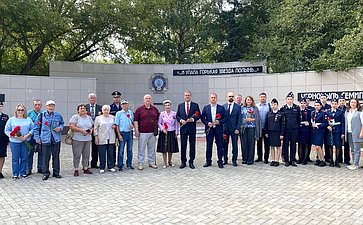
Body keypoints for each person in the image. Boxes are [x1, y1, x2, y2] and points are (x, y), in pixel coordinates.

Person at [33, 100, 64, 180]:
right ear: (46, 107)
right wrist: (37, 138)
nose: (51, 107)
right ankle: (45, 173)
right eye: (49, 106)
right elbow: (36, 128)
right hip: (45, 139)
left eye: (52, 106)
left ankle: (56, 172)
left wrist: (60, 128)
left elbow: (62, 123)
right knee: (45, 157)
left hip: (55, 139)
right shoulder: (41, 116)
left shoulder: (58, 115)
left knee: (56, 156)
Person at [4, 104, 33, 179]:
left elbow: (33, 129)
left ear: (24, 111)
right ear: (16, 111)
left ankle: (23, 172)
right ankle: (15, 173)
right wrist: (15, 137)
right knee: (15, 158)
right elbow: (6, 130)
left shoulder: (28, 119)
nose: (20, 111)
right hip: (14, 142)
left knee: (24, 158)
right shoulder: (11, 120)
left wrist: (27, 136)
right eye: (19, 110)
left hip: (25, 142)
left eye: (22, 110)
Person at [134, 94, 160, 170]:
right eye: (146, 98)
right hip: (142, 132)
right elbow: (135, 120)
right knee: (141, 148)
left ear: (151, 100)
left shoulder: (154, 109)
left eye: (149, 98)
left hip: (152, 132)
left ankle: (151, 162)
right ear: (144, 100)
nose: (148, 100)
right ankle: (140, 163)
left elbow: (158, 119)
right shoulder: (139, 109)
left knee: (151, 148)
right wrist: (136, 130)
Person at [176, 90, 201, 169]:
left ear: (191, 96)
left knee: (192, 145)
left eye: (188, 95)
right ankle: (183, 162)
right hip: (183, 128)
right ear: (184, 96)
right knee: (183, 145)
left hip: (192, 128)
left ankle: (191, 161)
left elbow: (198, 115)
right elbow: (177, 116)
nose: (187, 96)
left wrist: (193, 119)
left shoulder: (195, 105)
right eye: (186, 95)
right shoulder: (180, 105)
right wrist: (180, 120)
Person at [69, 104, 96, 176]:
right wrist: (81, 130)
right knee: (77, 154)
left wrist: (91, 130)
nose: (83, 109)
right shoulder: (75, 117)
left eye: (84, 108)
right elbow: (71, 126)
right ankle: (76, 169)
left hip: (87, 139)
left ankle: (85, 167)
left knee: (86, 154)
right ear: (78, 110)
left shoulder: (89, 118)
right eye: (81, 108)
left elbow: (92, 126)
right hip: (78, 139)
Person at [201, 93, 226, 168]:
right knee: (209, 145)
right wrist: (207, 123)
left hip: (218, 129)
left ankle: (220, 161)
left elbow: (225, 118)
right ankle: (208, 161)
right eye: (212, 97)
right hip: (209, 129)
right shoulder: (206, 108)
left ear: (216, 98)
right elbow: (202, 118)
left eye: (214, 97)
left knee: (220, 145)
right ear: (210, 99)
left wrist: (220, 122)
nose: (213, 99)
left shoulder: (221, 108)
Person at [156, 100, 179, 168]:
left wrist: (176, 132)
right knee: (164, 148)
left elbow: (176, 123)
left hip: (172, 131)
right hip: (164, 132)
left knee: (170, 147)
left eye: (168, 105)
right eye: (166, 105)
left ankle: (170, 161)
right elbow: (159, 123)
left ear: (170, 106)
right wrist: (162, 129)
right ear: (164, 107)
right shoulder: (162, 114)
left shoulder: (174, 114)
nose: (167, 106)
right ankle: (165, 162)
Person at [93, 105, 116, 173]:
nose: (106, 111)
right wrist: (96, 137)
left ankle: (110, 166)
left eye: (107, 110)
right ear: (102, 111)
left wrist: (114, 126)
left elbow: (116, 125)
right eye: (105, 110)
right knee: (102, 153)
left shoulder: (113, 117)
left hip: (111, 137)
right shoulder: (98, 118)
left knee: (111, 153)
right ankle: (102, 167)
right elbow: (95, 128)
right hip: (102, 137)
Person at [280, 92, 300, 167]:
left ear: (293, 99)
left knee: (293, 145)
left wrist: (297, 127)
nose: (289, 100)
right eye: (288, 99)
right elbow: (282, 121)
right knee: (285, 145)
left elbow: (298, 119)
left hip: (294, 129)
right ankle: (286, 160)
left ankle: (292, 160)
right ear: (286, 100)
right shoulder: (283, 108)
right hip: (286, 130)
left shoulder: (296, 108)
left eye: (291, 99)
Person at [240, 96, 262, 165]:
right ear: (245, 101)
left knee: (251, 143)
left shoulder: (255, 108)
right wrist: (245, 120)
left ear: (252, 101)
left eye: (250, 100)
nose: (249, 101)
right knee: (244, 143)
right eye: (247, 100)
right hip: (244, 127)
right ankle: (244, 158)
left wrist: (252, 120)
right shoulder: (242, 108)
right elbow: (240, 118)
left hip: (252, 127)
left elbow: (258, 118)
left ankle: (250, 160)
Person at [115, 100, 135, 171]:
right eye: (123, 104)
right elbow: (116, 125)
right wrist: (119, 135)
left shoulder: (130, 113)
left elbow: (133, 122)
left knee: (129, 150)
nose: (124, 105)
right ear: (121, 106)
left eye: (126, 104)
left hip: (129, 132)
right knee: (121, 150)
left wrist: (132, 126)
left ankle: (129, 164)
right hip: (122, 133)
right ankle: (120, 165)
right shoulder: (119, 113)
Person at [222, 92, 241, 166]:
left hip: (234, 129)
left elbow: (239, 118)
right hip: (225, 129)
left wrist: (238, 128)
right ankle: (225, 159)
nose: (231, 97)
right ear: (227, 97)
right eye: (229, 96)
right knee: (225, 145)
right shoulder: (224, 106)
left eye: (232, 96)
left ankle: (234, 160)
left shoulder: (238, 107)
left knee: (235, 145)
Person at [27, 99, 45, 176]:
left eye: (39, 105)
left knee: (41, 152)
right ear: (33, 105)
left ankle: (40, 168)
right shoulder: (29, 113)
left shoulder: (44, 113)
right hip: (30, 137)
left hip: (41, 136)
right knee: (29, 153)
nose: (37, 106)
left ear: (41, 105)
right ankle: (28, 168)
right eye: (36, 105)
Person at [265, 98, 284, 167]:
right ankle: (273, 160)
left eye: (275, 104)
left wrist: (282, 134)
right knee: (272, 146)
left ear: (277, 105)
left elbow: (282, 125)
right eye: (272, 105)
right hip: (270, 132)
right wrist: (266, 132)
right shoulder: (269, 113)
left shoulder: (281, 114)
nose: (273, 106)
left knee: (278, 147)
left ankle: (277, 160)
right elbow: (266, 124)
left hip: (278, 133)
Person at [326, 98, 345, 167]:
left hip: (338, 130)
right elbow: (325, 121)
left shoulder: (340, 112)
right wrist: (327, 126)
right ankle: (331, 161)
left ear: (337, 104)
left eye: (335, 104)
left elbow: (343, 123)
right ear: (330, 104)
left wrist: (342, 133)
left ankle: (337, 161)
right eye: (332, 104)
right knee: (330, 145)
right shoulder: (327, 112)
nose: (334, 105)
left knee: (338, 146)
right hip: (330, 131)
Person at [345, 98, 363, 170]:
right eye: (351, 102)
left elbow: (362, 124)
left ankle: (356, 164)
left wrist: (361, 132)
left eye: (354, 102)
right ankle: (353, 163)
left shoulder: (360, 112)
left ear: (357, 104)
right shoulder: (347, 112)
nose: (353, 104)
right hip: (349, 132)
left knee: (357, 149)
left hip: (357, 133)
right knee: (352, 149)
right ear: (349, 103)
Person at [86, 93, 102, 169]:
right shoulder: (85, 107)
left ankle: (94, 163)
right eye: (91, 98)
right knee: (85, 148)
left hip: (96, 130)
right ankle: (86, 164)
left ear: (96, 99)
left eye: (94, 98)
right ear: (89, 99)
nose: (92, 99)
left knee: (95, 147)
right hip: (87, 130)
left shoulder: (100, 107)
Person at [311, 100, 328, 167]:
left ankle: (323, 160)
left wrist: (318, 125)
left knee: (319, 146)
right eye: (315, 105)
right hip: (314, 131)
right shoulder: (313, 113)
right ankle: (319, 159)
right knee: (316, 147)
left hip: (320, 131)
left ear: (321, 106)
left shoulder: (323, 113)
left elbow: (325, 123)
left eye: (318, 105)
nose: (316, 107)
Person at [256, 92, 271, 163]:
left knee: (267, 144)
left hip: (266, 128)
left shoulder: (269, 106)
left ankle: (266, 158)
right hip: (259, 127)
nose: (262, 98)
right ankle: (259, 157)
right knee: (259, 143)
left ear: (266, 98)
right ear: (259, 98)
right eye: (261, 97)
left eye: (264, 97)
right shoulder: (256, 106)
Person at [297, 97, 311, 165]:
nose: (302, 104)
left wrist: (309, 123)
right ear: (299, 104)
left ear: (306, 104)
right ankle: (300, 158)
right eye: (301, 103)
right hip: (299, 129)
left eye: (304, 103)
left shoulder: (309, 111)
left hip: (306, 130)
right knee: (300, 144)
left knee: (306, 144)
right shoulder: (297, 111)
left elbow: (312, 121)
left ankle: (305, 159)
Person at [110, 91, 122, 166]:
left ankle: (120, 162)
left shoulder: (123, 106)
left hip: (122, 129)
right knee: (113, 147)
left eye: (117, 97)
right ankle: (113, 161)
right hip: (113, 129)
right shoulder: (110, 107)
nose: (116, 99)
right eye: (115, 97)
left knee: (121, 146)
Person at [338, 94, 350, 165]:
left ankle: (347, 160)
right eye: (340, 101)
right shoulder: (336, 109)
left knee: (346, 145)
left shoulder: (347, 109)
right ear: (338, 102)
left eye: (343, 101)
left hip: (346, 129)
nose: (342, 102)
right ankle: (339, 159)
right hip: (339, 129)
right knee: (339, 145)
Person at [320, 93, 332, 162]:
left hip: (327, 128)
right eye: (322, 98)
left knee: (327, 143)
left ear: (326, 99)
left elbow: (329, 117)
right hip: (321, 128)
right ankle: (320, 156)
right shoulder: (318, 106)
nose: (323, 99)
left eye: (324, 98)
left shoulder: (329, 106)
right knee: (320, 143)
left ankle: (328, 156)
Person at [0, 102, 9, 179]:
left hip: (3, 139)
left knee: (2, 155)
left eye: (1, 106)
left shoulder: (5, 117)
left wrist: (8, 140)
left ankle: (0, 171)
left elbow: (8, 129)